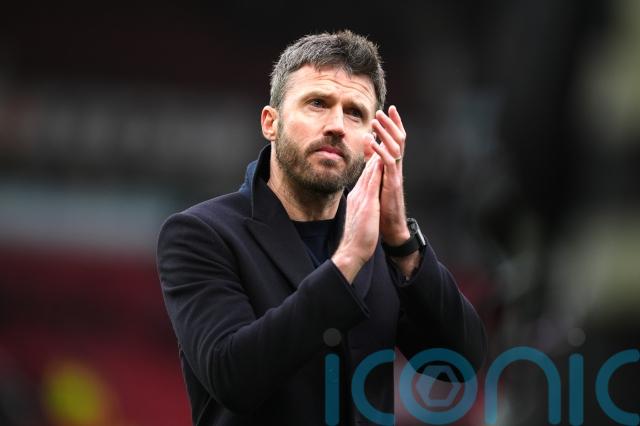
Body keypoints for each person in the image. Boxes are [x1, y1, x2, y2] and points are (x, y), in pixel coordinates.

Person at [156, 30, 486, 426]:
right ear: (271, 122)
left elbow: (458, 363)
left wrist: (402, 241)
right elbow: (233, 376)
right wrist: (347, 262)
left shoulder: (386, 246)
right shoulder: (200, 234)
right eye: (317, 103)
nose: (336, 126)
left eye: (355, 113)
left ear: (373, 139)